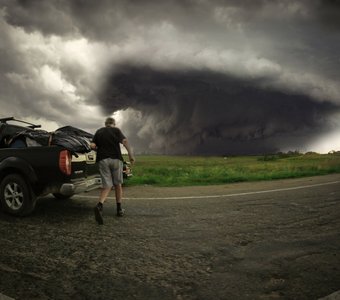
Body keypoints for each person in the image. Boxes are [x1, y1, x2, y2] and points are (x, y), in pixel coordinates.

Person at [91, 117, 135, 225]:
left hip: (102, 159)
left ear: (105, 124)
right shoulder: (116, 130)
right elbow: (125, 141)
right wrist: (130, 155)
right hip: (116, 159)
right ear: (113, 124)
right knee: (118, 184)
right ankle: (119, 209)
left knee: (107, 185)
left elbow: (92, 145)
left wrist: (98, 148)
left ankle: (99, 205)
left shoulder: (99, 131)